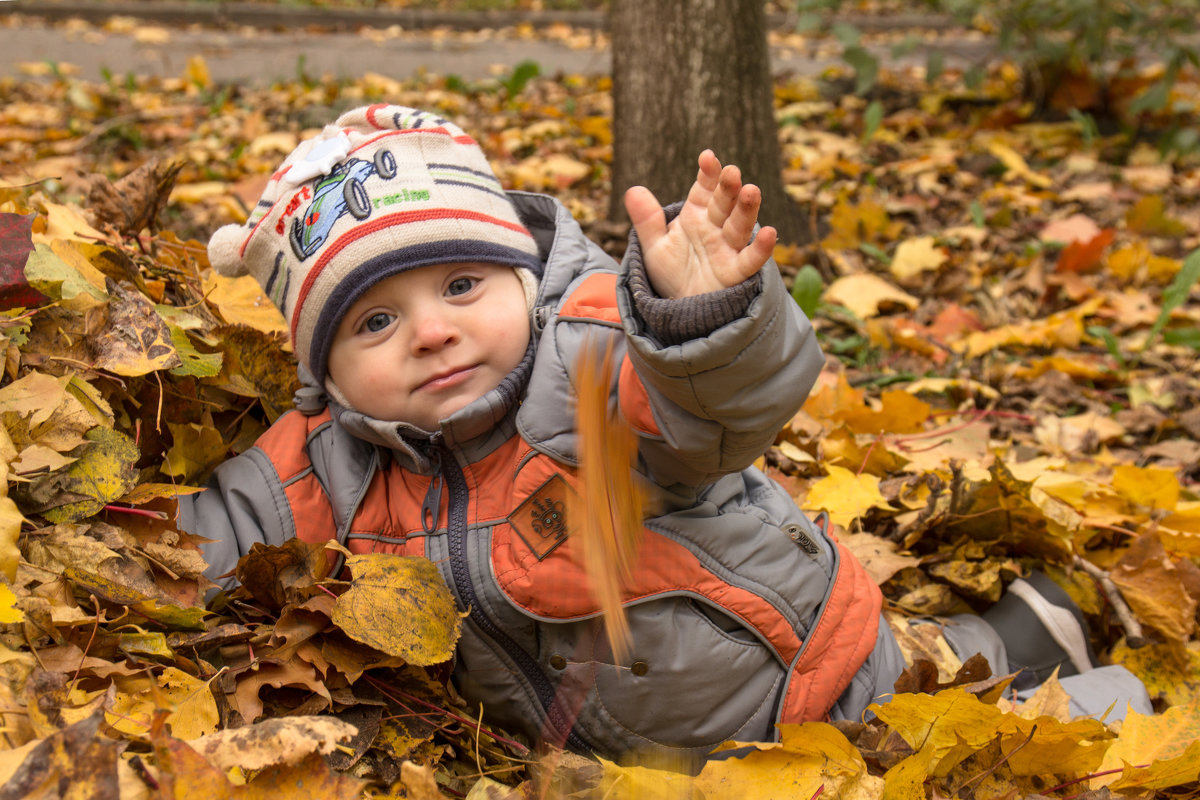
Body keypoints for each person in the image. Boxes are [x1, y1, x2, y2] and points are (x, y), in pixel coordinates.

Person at [179, 104, 1148, 770]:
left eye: (461, 286)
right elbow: (211, 536)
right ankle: (1029, 624)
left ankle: (1082, 667)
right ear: (326, 371)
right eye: (374, 323)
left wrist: (696, 316)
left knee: (955, 722)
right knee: (950, 673)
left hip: (805, 678)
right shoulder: (334, 463)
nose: (433, 329)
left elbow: (711, 402)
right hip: (651, 760)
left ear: (523, 277)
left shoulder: (586, 362)